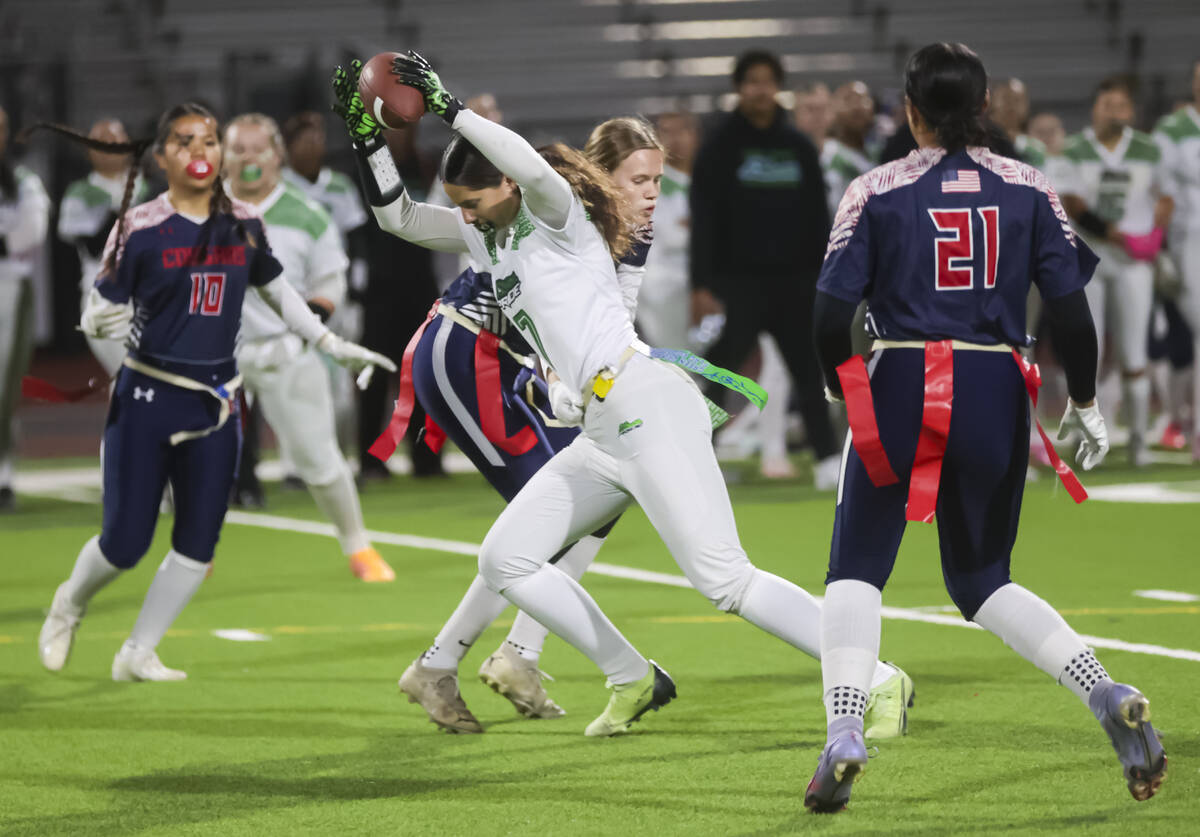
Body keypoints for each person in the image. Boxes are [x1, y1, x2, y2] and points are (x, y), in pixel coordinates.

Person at [332, 51, 910, 738]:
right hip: (604, 427)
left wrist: (447, 103)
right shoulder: (488, 233)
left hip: (643, 402)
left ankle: (876, 678)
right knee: (505, 558)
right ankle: (631, 675)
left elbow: (535, 166)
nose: (465, 215)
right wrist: (368, 140)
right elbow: (397, 217)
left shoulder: (555, 214)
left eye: (474, 201)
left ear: (510, 184)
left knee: (726, 580)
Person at [805, 43, 1165, 812]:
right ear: (987, 104)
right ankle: (1105, 690)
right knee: (982, 580)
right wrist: (1090, 401)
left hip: (902, 375)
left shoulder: (875, 187)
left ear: (909, 109)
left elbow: (830, 315)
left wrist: (842, 385)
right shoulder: (1031, 185)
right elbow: (1071, 308)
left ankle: (843, 727)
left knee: (857, 567)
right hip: (996, 385)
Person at [34, 103, 394, 681]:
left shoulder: (244, 221)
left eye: (208, 142)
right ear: (161, 158)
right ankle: (68, 604)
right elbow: (101, 301)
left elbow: (280, 293)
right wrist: (96, 317)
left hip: (217, 398)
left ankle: (138, 652)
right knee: (125, 543)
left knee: (198, 545)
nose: (200, 152)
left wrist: (329, 340)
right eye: (184, 142)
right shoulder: (139, 225)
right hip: (152, 394)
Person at [385, 116, 661, 733]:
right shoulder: (554, 208)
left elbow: (614, 318)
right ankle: (453, 662)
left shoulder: (631, 228)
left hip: (518, 367)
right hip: (469, 353)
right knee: (546, 519)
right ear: (598, 177)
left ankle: (516, 654)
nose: (650, 192)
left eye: (657, 179)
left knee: (601, 499)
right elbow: (555, 316)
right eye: (636, 178)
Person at [224, 112, 395, 581]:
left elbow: (329, 280)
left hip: (283, 350)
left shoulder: (305, 212)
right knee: (187, 456)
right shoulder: (203, 211)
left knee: (320, 461)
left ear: (277, 155)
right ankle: (194, 553)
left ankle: (358, 546)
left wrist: (312, 320)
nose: (249, 159)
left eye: (258, 148)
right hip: (214, 356)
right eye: (238, 149)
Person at [689, 50, 841, 489]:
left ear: (778, 87)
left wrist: (823, 278)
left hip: (795, 282)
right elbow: (705, 219)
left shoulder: (797, 147)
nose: (760, 89)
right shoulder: (719, 146)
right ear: (739, 88)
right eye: (751, 81)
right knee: (721, 368)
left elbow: (818, 219)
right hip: (737, 282)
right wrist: (701, 285)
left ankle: (828, 460)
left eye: (767, 81)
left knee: (809, 372)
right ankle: (699, 453)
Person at [1052, 75, 1174, 466]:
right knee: (1089, 352)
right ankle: (1089, 442)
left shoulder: (1148, 149)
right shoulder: (1073, 149)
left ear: (1131, 110)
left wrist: (1156, 233)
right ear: (1095, 108)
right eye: (1108, 105)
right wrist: (1123, 235)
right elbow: (1071, 203)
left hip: (1132, 264)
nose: (1114, 112)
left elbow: (1166, 197)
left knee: (1134, 353)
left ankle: (1138, 443)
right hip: (1089, 259)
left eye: (1121, 106)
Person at [58, 118, 151, 376]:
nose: (109, 147)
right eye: (100, 142)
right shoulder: (81, 192)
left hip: (151, 296)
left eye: (115, 141)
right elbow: (94, 245)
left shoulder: (151, 187)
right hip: (105, 296)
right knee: (129, 374)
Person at [0, 105, 51, 512]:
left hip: (8, 288)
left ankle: (2, 475)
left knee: (2, 383)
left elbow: (29, 233)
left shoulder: (22, 181)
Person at [1155, 60, 1200, 457]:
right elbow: (1162, 194)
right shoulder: (1172, 132)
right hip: (1189, 240)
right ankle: (1188, 426)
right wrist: (1161, 247)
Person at [639, 110, 697, 351]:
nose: (675, 138)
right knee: (680, 362)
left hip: (708, 287)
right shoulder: (647, 186)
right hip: (663, 289)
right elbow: (673, 236)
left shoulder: (710, 182)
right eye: (667, 132)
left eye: (682, 130)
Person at [990, 78, 1048, 169]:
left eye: (1017, 100)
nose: (1011, 106)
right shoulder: (980, 139)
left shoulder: (1035, 146)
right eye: (1005, 98)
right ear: (992, 102)